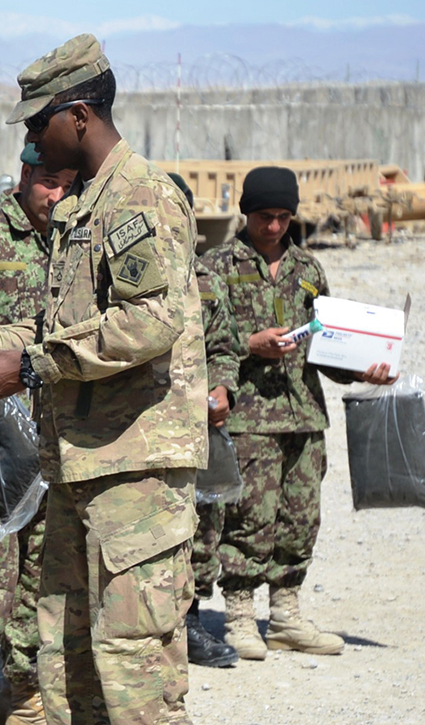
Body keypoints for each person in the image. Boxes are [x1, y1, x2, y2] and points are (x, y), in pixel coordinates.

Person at [0, 34, 208, 724]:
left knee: (134, 675)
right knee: (70, 667)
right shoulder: (85, 206)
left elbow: (147, 324)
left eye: (38, 119)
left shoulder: (137, 198)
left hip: (134, 471)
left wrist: (30, 367)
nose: (30, 136)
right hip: (84, 467)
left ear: (77, 115)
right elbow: (65, 325)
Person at [202, 166, 396, 660]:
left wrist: (363, 370)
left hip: (304, 416)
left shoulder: (309, 270)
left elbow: (330, 347)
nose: (274, 227)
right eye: (265, 216)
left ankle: (286, 614)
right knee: (246, 517)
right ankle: (240, 616)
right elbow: (203, 341)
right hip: (246, 417)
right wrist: (250, 345)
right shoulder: (216, 265)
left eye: (284, 217)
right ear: (247, 212)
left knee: (300, 516)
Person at [0, 143, 73, 725]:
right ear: (26, 175)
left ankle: (30, 689)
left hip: (57, 435)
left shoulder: (77, 240)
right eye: (47, 183)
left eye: (66, 185)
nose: (56, 197)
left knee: (45, 573)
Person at [170, 172, 240, 669]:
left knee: (202, 525)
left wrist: (223, 387)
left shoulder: (207, 282)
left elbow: (225, 347)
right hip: (142, 430)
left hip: (200, 429)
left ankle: (189, 620)